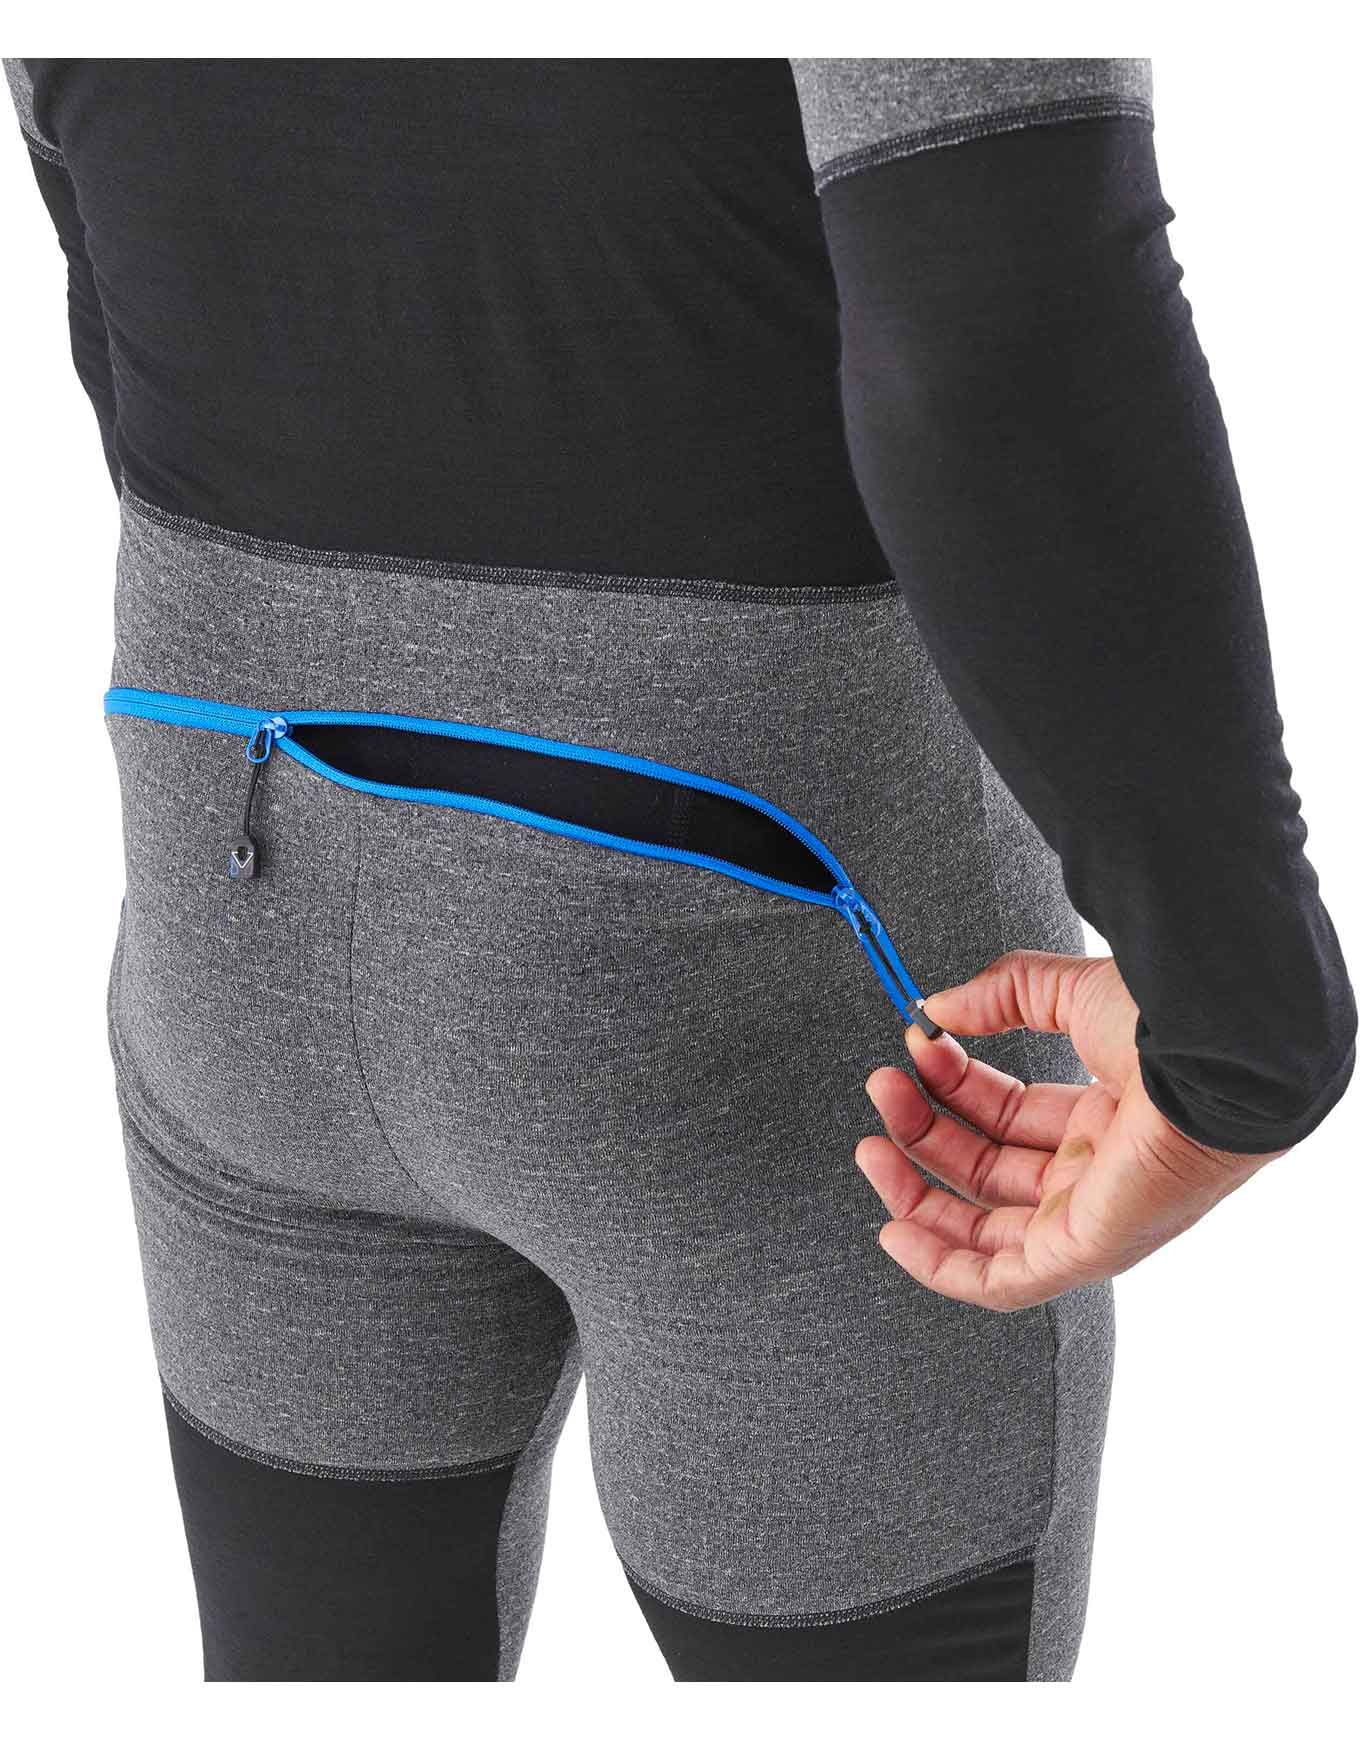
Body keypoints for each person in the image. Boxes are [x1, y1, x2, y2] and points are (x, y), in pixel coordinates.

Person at [6, 56, 1352, 1683]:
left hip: (232, 920)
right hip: (781, 972)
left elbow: (101, 237)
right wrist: (1245, 1018)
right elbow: (1004, 324)